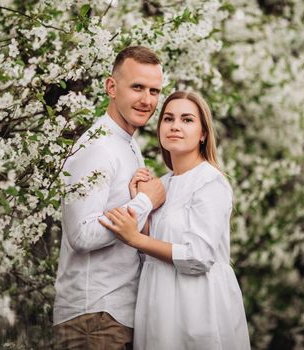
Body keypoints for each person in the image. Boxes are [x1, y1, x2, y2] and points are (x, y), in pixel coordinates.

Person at [100, 91, 251, 350]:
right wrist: (140, 203)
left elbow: (198, 256)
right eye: (168, 119)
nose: (175, 126)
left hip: (198, 304)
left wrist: (136, 238)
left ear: (203, 133)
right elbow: (154, 249)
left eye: (187, 120)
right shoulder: (163, 184)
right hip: (158, 302)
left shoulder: (210, 181)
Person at [52, 46, 166, 349]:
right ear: (111, 87)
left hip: (117, 315)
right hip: (93, 318)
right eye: (137, 87)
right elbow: (81, 234)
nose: (147, 100)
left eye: (154, 90)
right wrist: (144, 202)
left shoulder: (128, 145)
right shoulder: (97, 146)